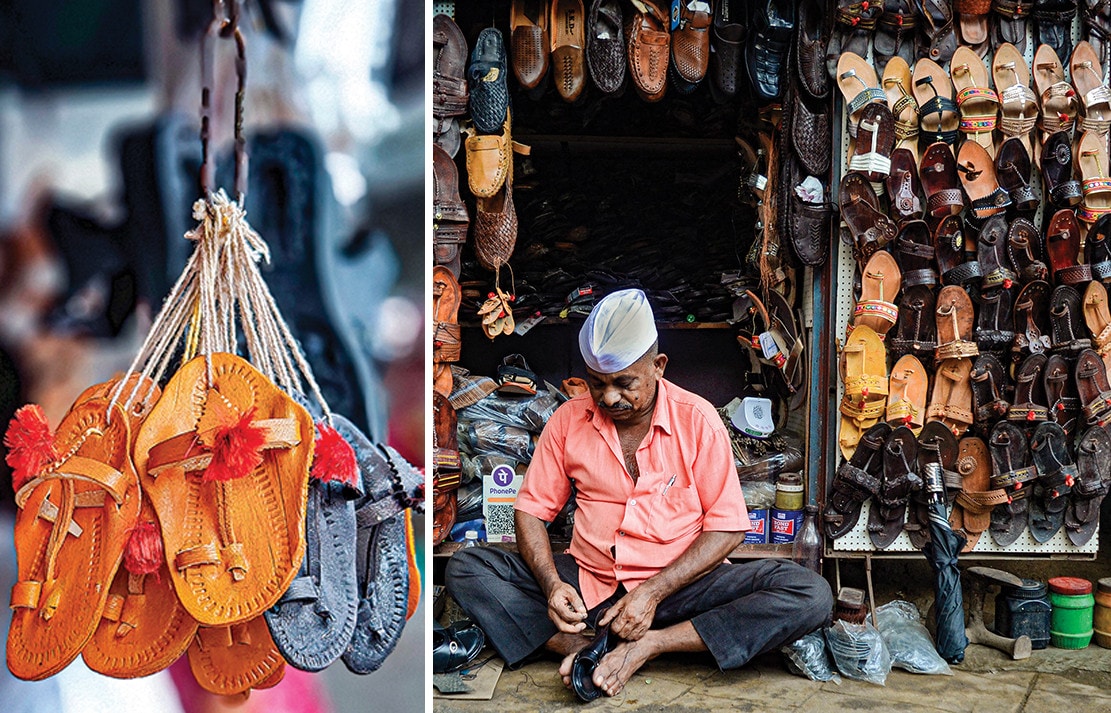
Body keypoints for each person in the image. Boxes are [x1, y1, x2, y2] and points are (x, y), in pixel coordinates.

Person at [445, 289, 832, 697]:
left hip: (677, 590)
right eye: (597, 384)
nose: (609, 397)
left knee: (810, 593)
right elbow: (530, 511)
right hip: (588, 584)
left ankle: (652, 645)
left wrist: (652, 593)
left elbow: (728, 529)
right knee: (467, 568)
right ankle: (579, 645)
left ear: (658, 366)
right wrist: (552, 586)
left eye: (623, 382)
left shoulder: (698, 421)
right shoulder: (567, 420)